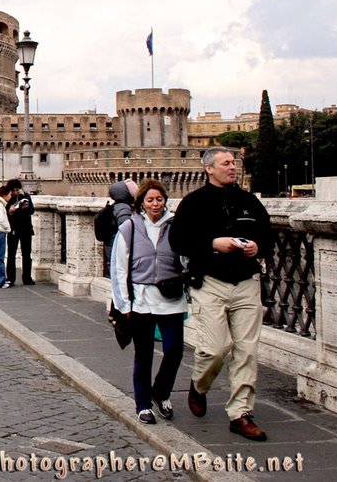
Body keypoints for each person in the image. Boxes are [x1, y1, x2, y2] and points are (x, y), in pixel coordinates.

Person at [168, 146, 272, 441]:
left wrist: (257, 248)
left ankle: (241, 413)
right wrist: (214, 243)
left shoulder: (249, 201)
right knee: (214, 348)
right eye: (225, 163)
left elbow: (267, 236)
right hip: (210, 282)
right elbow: (178, 240)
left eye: (234, 163)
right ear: (208, 169)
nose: (232, 168)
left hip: (247, 281)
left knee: (247, 350)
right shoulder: (193, 203)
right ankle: (199, 385)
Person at [110, 180, 186, 425]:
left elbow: (186, 259)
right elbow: (119, 269)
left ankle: (161, 392)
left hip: (171, 298)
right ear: (141, 202)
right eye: (150, 200)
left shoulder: (176, 227)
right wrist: (124, 305)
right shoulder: (130, 228)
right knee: (143, 355)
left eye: (159, 199)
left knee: (174, 350)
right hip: (141, 301)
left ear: (165, 200)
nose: (156, 204)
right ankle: (142, 404)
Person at [104, 179, 138, 273]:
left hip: (111, 247)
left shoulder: (114, 206)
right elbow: (127, 231)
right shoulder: (124, 209)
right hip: (119, 251)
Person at [5, 179, 35, 285]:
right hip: (13, 229)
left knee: (27, 254)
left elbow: (31, 210)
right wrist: (11, 211)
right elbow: (6, 213)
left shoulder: (25, 196)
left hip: (26, 229)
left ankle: (27, 278)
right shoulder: (8, 199)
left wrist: (25, 207)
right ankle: (10, 278)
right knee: (11, 254)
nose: (17, 192)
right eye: (15, 190)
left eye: (18, 190)